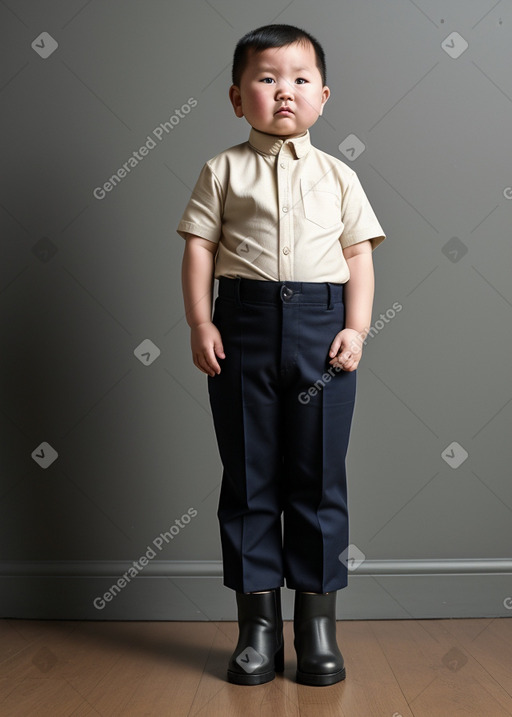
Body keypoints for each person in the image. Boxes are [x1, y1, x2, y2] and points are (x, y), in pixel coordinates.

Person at [178, 23, 385, 687]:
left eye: (299, 79)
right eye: (266, 79)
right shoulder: (222, 169)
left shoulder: (339, 175)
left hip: (322, 329)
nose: (284, 91)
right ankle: (257, 630)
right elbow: (200, 248)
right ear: (239, 98)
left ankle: (316, 629)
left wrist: (356, 329)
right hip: (242, 326)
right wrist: (199, 320)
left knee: (318, 478)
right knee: (248, 478)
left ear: (323, 96)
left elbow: (358, 255)